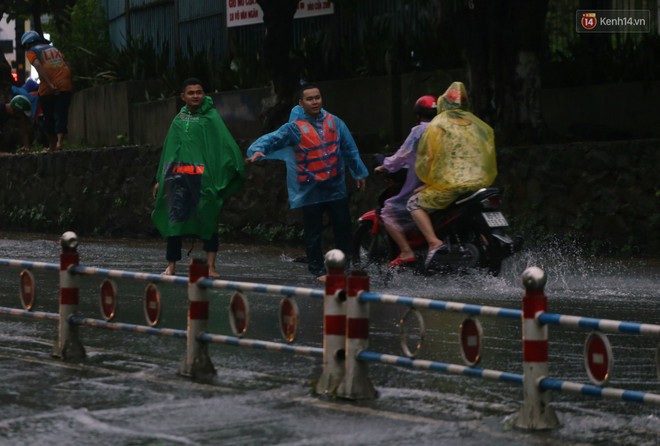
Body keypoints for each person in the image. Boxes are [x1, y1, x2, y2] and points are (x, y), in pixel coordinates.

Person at [245, 83, 369, 281]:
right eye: (310, 99)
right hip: (311, 189)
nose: (315, 102)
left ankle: (345, 267)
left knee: (343, 227)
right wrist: (258, 151)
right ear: (301, 103)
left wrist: (359, 173)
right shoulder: (294, 129)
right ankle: (318, 270)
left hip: (335, 187)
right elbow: (274, 139)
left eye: (317, 97)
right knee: (313, 231)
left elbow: (349, 149)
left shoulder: (335, 123)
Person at [151, 78, 245, 277]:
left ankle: (211, 267)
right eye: (191, 93)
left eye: (199, 92)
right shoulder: (179, 119)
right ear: (183, 96)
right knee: (174, 222)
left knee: (208, 220)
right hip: (178, 178)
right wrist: (160, 179)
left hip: (204, 179)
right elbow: (169, 151)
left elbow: (224, 145)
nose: (195, 96)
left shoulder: (211, 117)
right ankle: (171, 266)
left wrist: (234, 164)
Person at [407, 81, 497, 267]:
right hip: (479, 182)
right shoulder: (478, 124)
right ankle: (485, 241)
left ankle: (433, 243)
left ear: (443, 103)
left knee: (413, 203)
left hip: (452, 185)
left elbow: (430, 158)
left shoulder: (439, 125)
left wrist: (428, 182)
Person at [374, 95, 437, 268]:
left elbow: (402, 155)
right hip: (446, 181)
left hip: (421, 183)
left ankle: (406, 251)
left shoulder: (419, 131)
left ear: (418, 115)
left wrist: (385, 166)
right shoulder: (445, 129)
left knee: (388, 210)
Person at [20, 30, 73, 152]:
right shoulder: (53, 49)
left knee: (47, 116)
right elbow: (66, 63)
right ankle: (59, 143)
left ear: (28, 44)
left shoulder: (32, 52)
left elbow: (38, 65)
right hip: (65, 84)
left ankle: (52, 146)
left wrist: (49, 83)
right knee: (61, 114)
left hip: (48, 87)